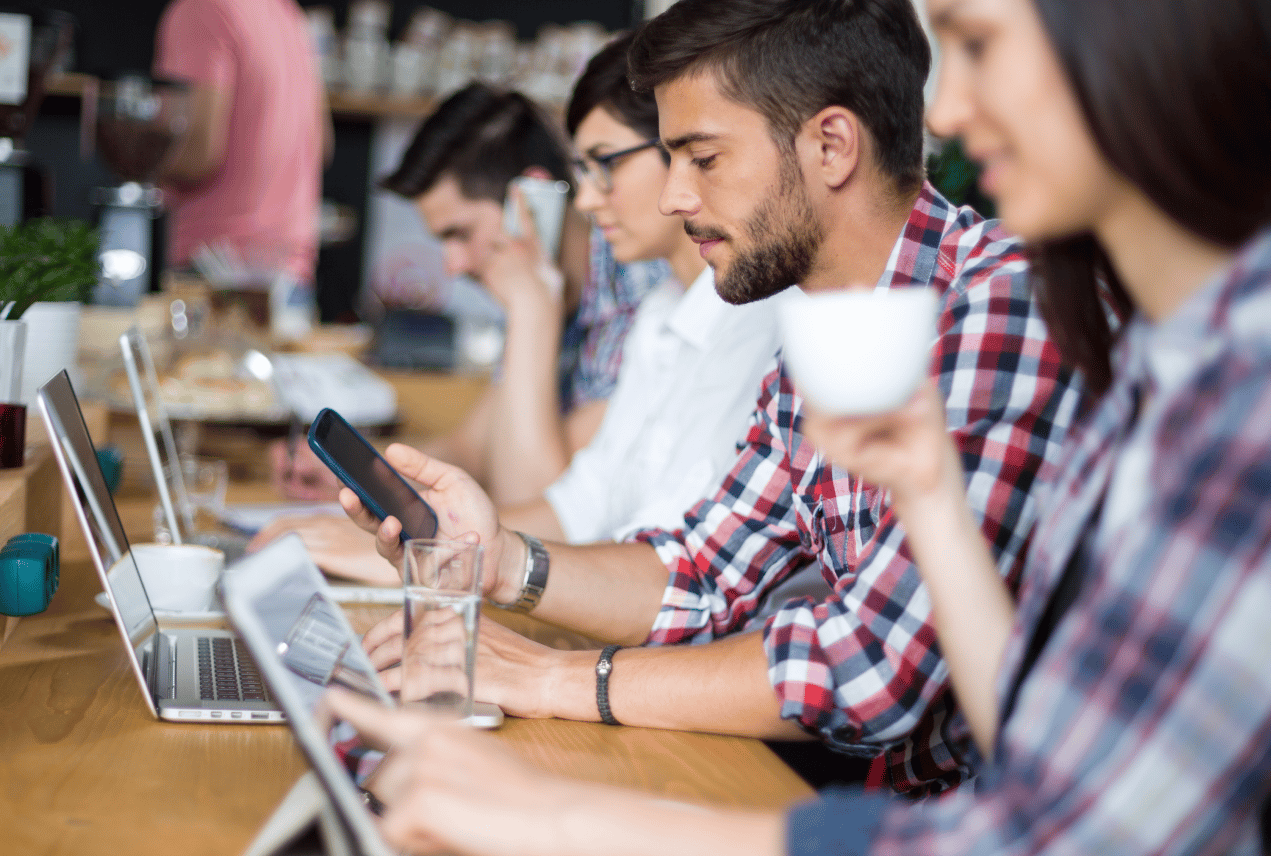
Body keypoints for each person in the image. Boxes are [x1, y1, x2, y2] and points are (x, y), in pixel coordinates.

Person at [323, 0, 1271, 852]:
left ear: (829, 147)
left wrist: (555, 720)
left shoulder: (1015, 308)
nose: (671, 196)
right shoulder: (849, 324)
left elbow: (896, 687)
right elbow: (703, 569)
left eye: (702, 157)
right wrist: (501, 563)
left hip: (898, 805)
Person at [256, 41, 784, 578]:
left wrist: (533, 307)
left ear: (530, 202)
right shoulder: (661, 310)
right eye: (583, 170)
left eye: (459, 233)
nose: (453, 263)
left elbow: (543, 495)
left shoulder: (645, 292)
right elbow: (496, 455)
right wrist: (369, 482)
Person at [154, 0, 331, 286]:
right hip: (292, 269)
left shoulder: (203, 9)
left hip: (217, 266)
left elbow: (199, 157)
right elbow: (320, 147)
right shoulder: (288, 14)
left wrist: (138, 163)